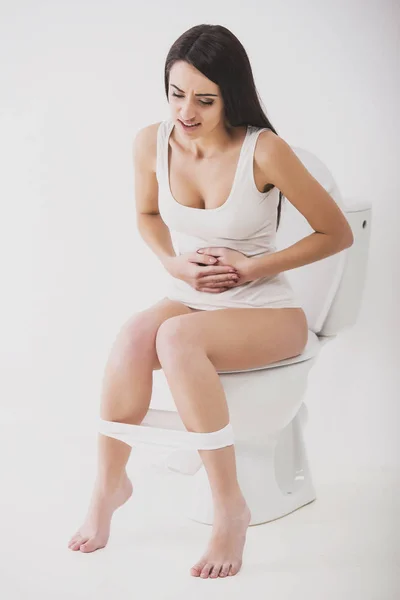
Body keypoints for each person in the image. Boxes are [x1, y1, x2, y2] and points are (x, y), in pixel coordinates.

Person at [68, 24, 354, 579]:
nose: (186, 111)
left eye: (204, 99)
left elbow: (336, 233)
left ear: (232, 94)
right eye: (176, 94)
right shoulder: (149, 142)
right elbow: (148, 216)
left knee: (174, 338)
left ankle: (230, 507)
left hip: (267, 310)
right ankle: (108, 486)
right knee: (133, 333)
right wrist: (173, 263)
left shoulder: (263, 151)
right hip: (188, 294)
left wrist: (252, 266)